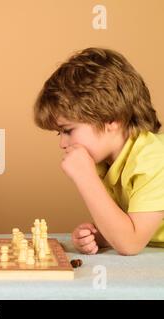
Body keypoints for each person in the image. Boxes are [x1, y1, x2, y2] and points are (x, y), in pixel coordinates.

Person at [34, 47, 164, 255]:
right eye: (59, 133)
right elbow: (130, 226)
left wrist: (86, 177)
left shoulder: (154, 159)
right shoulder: (107, 164)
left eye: (68, 130)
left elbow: (130, 243)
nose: (63, 144)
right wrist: (99, 236)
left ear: (111, 120)